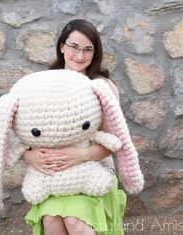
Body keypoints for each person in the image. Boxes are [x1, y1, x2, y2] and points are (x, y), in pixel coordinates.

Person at [23, 19, 127, 235]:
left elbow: (113, 142)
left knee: (73, 221)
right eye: (74, 47)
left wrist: (81, 155)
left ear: (95, 52)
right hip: (53, 176)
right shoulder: (43, 83)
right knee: (51, 219)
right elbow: (25, 135)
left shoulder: (102, 86)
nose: (80, 56)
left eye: (88, 50)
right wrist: (29, 157)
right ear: (62, 46)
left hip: (92, 171)